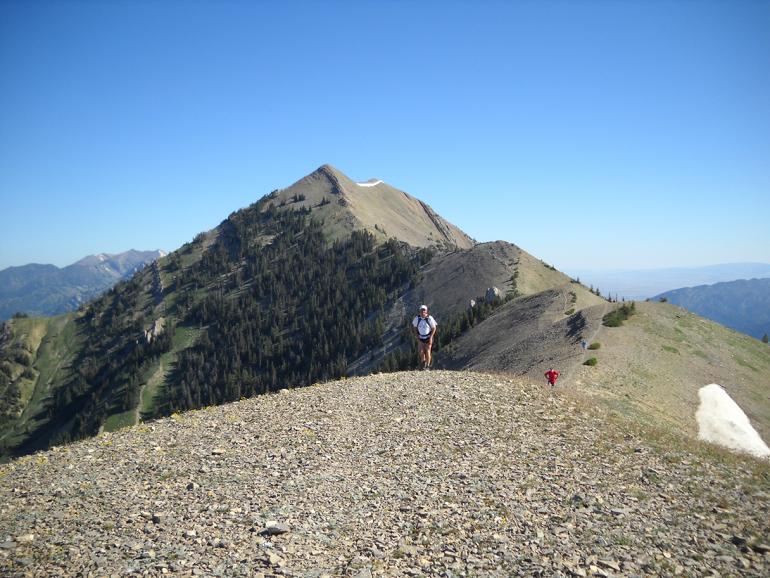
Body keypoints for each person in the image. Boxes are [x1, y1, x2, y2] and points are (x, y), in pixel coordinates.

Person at [412, 304, 438, 370]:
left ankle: (427, 365)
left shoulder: (429, 318)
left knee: (428, 351)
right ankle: (423, 364)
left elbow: (434, 328)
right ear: (419, 311)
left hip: (428, 337)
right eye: (421, 310)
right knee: (421, 351)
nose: (423, 311)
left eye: (424, 310)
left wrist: (431, 337)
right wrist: (417, 336)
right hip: (420, 337)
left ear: (426, 311)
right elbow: (414, 327)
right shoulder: (417, 318)